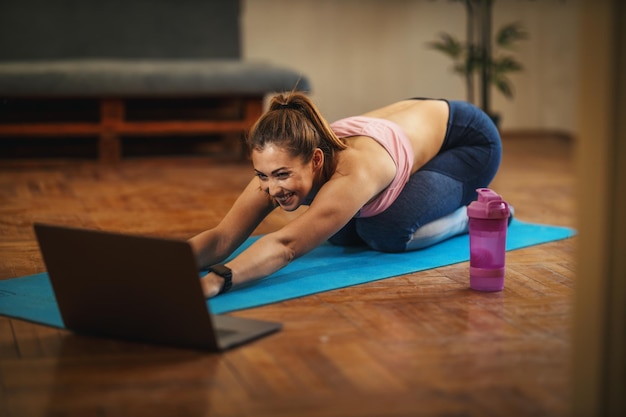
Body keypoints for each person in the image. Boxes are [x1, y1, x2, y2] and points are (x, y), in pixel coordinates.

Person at [189, 92, 502, 298]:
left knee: (384, 230)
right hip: (412, 131)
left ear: (316, 160)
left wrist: (217, 280)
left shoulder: (354, 170)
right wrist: (168, 264)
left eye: (282, 175)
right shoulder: (281, 162)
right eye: (262, 176)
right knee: (341, 233)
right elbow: (222, 237)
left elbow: (287, 245)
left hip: (466, 141)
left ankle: (471, 215)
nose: (271, 189)